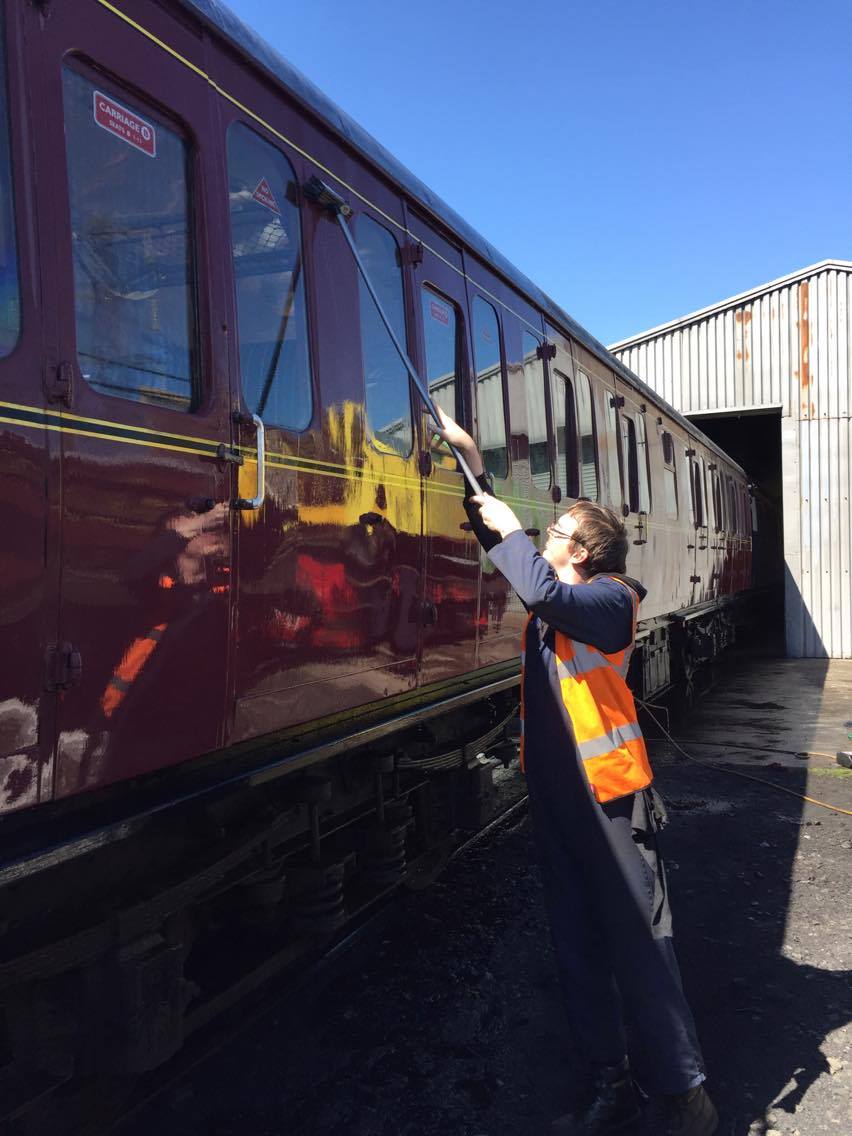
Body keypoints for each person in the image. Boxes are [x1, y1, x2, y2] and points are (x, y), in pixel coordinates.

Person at [436, 409, 718, 1136]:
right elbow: (512, 558)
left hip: (612, 803)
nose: (546, 536)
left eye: (557, 531)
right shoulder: (559, 601)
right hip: (561, 800)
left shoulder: (610, 601)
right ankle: (609, 1083)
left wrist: (512, 530)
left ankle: (684, 1097)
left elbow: (542, 589)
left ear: (584, 551)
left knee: (640, 946)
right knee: (578, 947)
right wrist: (473, 466)